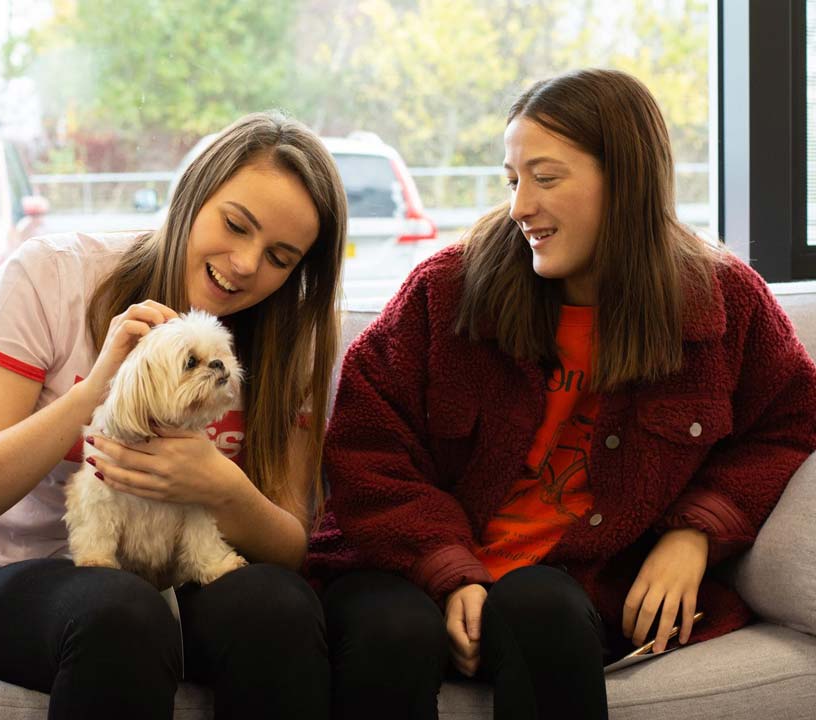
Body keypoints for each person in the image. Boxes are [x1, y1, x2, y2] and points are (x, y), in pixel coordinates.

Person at [308, 68, 816, 720]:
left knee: (539, 607)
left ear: (626, 181)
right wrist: (448, 568)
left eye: (544, 178)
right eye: (512, 180)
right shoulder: (446, 292)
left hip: (577, 587)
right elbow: (365, 448)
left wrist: (695, 532)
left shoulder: (723, 303)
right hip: (404, 570)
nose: (519, 206)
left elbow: (790, 420)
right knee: (392, 634)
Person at [0, 110, 347, 720]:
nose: (248, 264)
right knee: (122, 614)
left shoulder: (288, 338)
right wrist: (95, 393)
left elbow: (287, 545)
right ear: (190, 197)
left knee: (280, 606)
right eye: (234, 225)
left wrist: (220, 485)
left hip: (183, 576)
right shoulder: (51, 277)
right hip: (20, 579)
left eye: (280, 257)